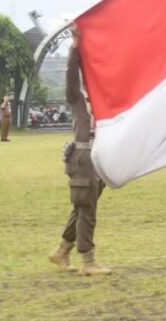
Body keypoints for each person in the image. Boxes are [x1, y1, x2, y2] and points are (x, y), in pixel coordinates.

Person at [47, 27, 111, 275]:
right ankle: (88, 261)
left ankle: (62, 250)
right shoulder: (77, 99)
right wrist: (75, 47)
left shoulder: (102, 100)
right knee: (87, 209)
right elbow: (71, 77)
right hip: (83, 157)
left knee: (83, 206)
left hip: (98, 157)